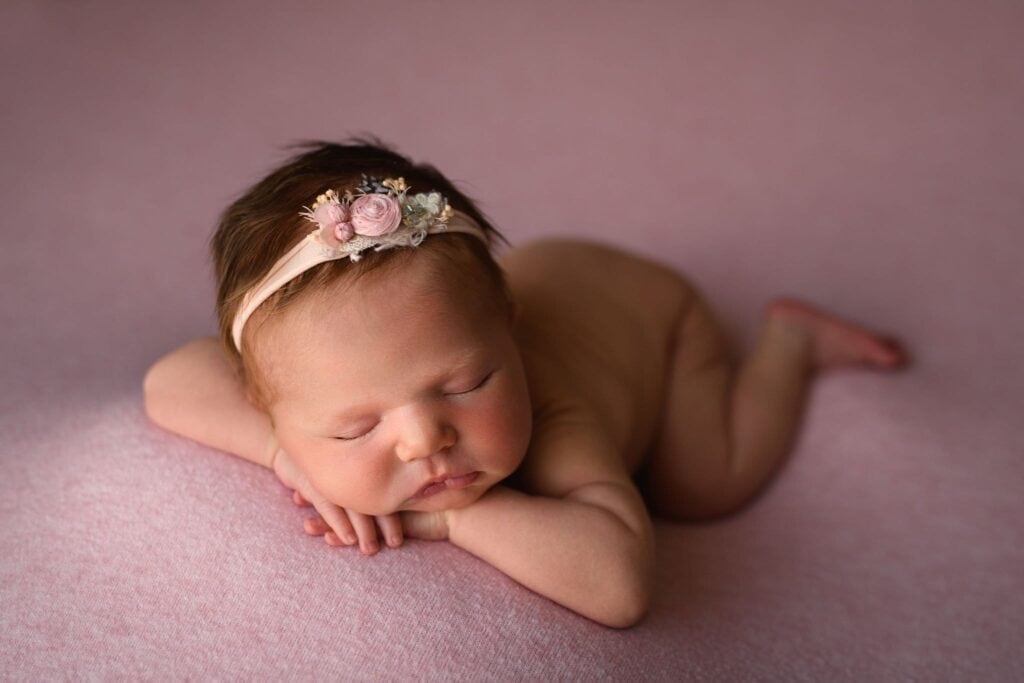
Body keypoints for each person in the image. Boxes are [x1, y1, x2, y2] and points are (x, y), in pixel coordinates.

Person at [143, 137, 909, 628]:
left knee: (700, 484)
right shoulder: (309, 386)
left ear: (508, 327)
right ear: (268, 399)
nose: (426, 438)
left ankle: (790, 343)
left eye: (469, 381)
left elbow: (619, 585)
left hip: (651, 318)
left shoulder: (553, 414)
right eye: (356, 426)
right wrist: (288, 453)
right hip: (538, 278)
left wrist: (454, 521)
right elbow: (167, 383)